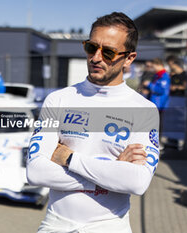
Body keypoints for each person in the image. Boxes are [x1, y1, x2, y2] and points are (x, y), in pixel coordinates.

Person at [26, 12, 160, 233]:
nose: (96, 58)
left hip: (109, 226)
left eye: (108, 52)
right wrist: (113, 171)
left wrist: (68, 158)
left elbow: (137, 182)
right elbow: (37, 172)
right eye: (91, 47)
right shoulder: (58, 99)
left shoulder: (145, 110)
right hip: (56, 224)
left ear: (129, 58)